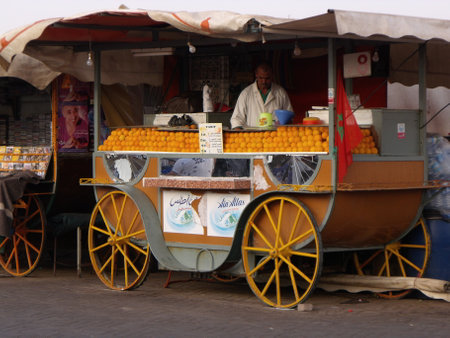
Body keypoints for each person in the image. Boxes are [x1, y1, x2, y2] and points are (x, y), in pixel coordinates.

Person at [230, 61, 293, 129]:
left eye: (267, 78)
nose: (264, 82)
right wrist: (239, 131)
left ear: (272, 75)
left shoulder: (280, 92)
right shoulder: (246, 93)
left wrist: (284, 122)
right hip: (253, 136)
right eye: (261, 78)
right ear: (256, 75)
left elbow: (289, 116)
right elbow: (236, 118)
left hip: (275, 136)